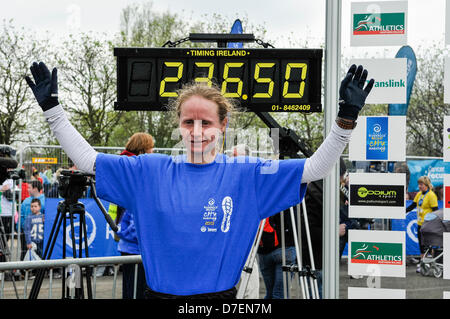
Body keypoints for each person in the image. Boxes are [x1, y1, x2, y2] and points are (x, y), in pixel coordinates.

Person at [26, 61, 374, 298]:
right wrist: (53, 111)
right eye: (188, 122)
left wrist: (345, 119)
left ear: (223, 125)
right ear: (178, 124)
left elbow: (314, 168)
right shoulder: (149, 171)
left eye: (205, 123)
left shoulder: (246, 174)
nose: (196, 131)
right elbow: (88, 160)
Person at [113, 132, 154, 299]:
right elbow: (138, 215)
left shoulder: (124, 170)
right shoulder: (138, 176)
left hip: (128, 244)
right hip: (136, 246)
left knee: (131, 291)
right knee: (137, 292)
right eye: (151, 148)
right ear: (143, 150)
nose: (153, 152)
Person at [230, 144, 260, 299]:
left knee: (249, 273)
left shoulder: (251, 179)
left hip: (243, 236)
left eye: (236, 156)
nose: (232, 160)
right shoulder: (229, 178)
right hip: (229, 237)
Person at [406, 176, 439, 273]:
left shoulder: (431, 195)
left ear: (426, 185)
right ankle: (422, 263)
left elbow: (435, 211)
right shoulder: (419, 194)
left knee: (429, 244)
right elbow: (412, 206)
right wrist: (402, 211)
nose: (419, 186)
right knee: (421, 244)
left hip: (429, 224)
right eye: (419, 184)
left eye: (421, 184)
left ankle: (432, 263)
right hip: (420, 224)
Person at [19, 180, 46, 260]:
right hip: (26, 233)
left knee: (40, 253)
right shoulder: (25, 201)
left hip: (40, 234)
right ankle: (23, 270)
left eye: (29, 188)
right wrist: (21, 228)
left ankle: (39, 271)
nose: (27, 189)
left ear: (35, 188)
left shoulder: (45, 200)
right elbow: (21, 216)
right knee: (25, 253)